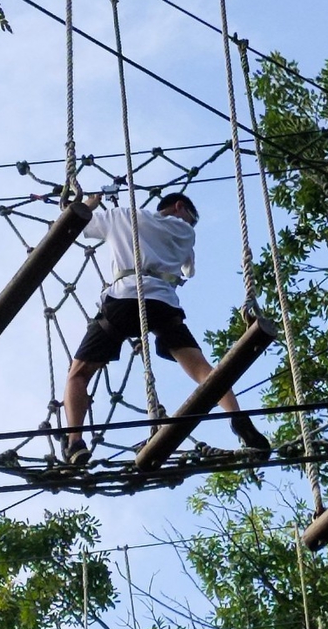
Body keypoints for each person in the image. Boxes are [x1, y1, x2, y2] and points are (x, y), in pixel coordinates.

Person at [62, 190, 271, 467]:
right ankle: (237, 418)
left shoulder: (123, 216)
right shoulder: (186, 234)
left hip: (123, 300)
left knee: (78, 374)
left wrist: (90, 201)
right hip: (163, 304)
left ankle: (75, 441)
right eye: (192, 218)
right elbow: (187, 270)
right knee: (203, 371)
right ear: (179, 206)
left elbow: (77, 223)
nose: (192, 224)